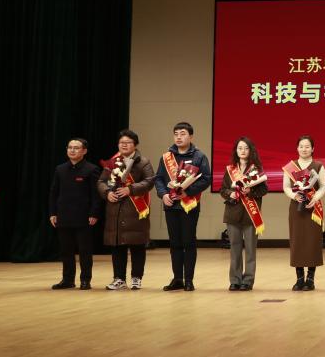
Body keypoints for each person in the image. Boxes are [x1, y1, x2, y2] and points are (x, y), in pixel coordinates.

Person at [154, 122, 212, 292]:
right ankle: (177, 278)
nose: (179, 137)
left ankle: (189, 280)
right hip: (171, 205)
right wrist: (163, 194)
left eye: (183, 133)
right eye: (176, 134)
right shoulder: (166, 157)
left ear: (191, 136)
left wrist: (188, 192)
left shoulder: (199, 156)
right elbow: (159, 178)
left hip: (189, 205)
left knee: (188, 242)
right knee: (174, 243)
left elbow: (206, 179)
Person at [97, 130, 155, 290]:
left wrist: (130, 189)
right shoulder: (113, 162)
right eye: (121, 142)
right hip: (115, 208)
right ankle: (119, 279)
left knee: (137, 245)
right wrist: (107, 193)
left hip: (135, 208)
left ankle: (136, 278)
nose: (124, 145)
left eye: (128, 142)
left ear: (135, 145)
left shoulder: (143, 162)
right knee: (117, 246)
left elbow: (150, 181)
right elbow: (101, 181)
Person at [48, 138, 102, 290]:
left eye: (76, 148)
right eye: (70, 147)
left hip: (84, 217)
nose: (72, 150)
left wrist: (94, 213)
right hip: (63, 215)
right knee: (66, 250)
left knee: (85, 251)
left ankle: (85, 280)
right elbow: (53, 193)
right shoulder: (60, 169)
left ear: (84, 151)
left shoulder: (91, 169)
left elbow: (96, 195)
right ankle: (67, 280)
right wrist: (53, 213)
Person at [219, 137, 268, 291]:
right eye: (240, 148)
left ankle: (248, 280)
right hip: (233, 214)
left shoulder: (257, 170)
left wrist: (250, 191)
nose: (243, 151)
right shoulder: (230, 169)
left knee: (250, 249)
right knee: (234, 248)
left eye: (246, 148)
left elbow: (264, 190)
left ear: (251, 150)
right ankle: (235, 279)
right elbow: (223, 189)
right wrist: (231, 194)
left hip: (250, 215)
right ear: (236, 151)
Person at [283, 135, 325, 291]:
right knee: (298, 241)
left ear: (313, 148)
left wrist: (315, 197)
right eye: (301, 146)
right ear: (297, 148)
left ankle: (311, 278)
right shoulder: (290, 166)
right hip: (296, 207)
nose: (304, 149)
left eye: (307, 146)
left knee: (312, 242)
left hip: (313, 208)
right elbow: (286, 187)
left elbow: (323, 186)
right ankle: (299, 278)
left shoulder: (318, 166)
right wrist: (294, 195)